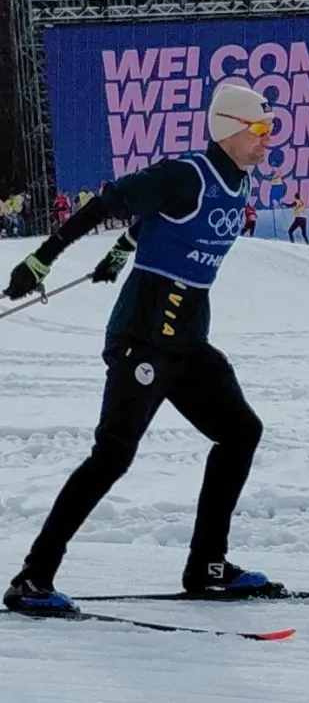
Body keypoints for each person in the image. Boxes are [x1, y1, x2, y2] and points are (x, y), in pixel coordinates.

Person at [1, 83, 282, 615]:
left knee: (240, 430)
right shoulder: (187, 173)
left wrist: (123, 248)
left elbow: (156, 218)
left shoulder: (236, 182)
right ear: (230, 128)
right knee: (112, 455)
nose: (269, 139)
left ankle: (207, 567)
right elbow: (108, 203)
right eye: (261, 129)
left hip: (187, 339)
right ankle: (32, 578)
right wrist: (41, 261)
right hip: (143, 337)